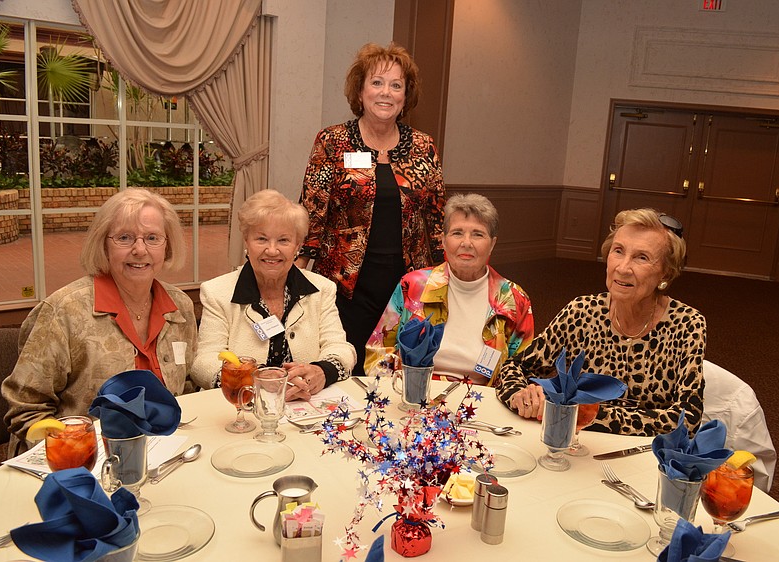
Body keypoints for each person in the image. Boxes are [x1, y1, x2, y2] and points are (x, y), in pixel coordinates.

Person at [2, 188, 196, 455]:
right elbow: (25, 408)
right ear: (103, 244)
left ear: (167, 246)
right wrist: (75, 450)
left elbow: (185, 388)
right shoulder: (65, 311)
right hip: (81, 462)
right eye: (125, 238)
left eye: (152, 238)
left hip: (163, 454)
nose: (140, 250)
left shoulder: (180, 307)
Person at [297, 42, 445, 374]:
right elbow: (312, 213)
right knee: (341, 368)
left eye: (396, 85)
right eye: (377, 83)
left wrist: (444, 277)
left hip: (407, 285)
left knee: (397, 371)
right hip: (345, 286)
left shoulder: (423, 146)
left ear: (406, 96)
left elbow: (437, 219)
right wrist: (298, 276)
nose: (386, 93)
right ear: (360, 90)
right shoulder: (332, 141)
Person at [497, 208, 706, 436]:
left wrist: (588, 414)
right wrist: (520, 394)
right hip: (579, 448)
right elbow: (514, 366)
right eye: (618, 251)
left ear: (665, 274)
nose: (623, 268)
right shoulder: (582, 312)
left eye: (642, 257)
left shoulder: (687, 324)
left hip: (643, 456)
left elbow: (688, 419)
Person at [193, 189, 355, 399]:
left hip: (306, 405)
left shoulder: (322, 289)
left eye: (283, 241)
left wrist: (320, 371)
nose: (272, 250)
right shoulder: (217, 292)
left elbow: (340, 348)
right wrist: (257, 378)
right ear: (246, 242)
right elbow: (203, 363)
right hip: (244, 407)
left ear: (297, 246)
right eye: (261, 239)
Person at [365, 193, 533, 385]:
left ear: (492, 244)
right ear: (444, 240)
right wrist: (401, 390)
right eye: (457, 233)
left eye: (478, 234)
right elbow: (376, 353)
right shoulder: (413, 285)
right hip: (414, 393)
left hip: (482, 401)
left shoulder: (514, 298)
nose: (466, 243)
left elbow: (524, 371)